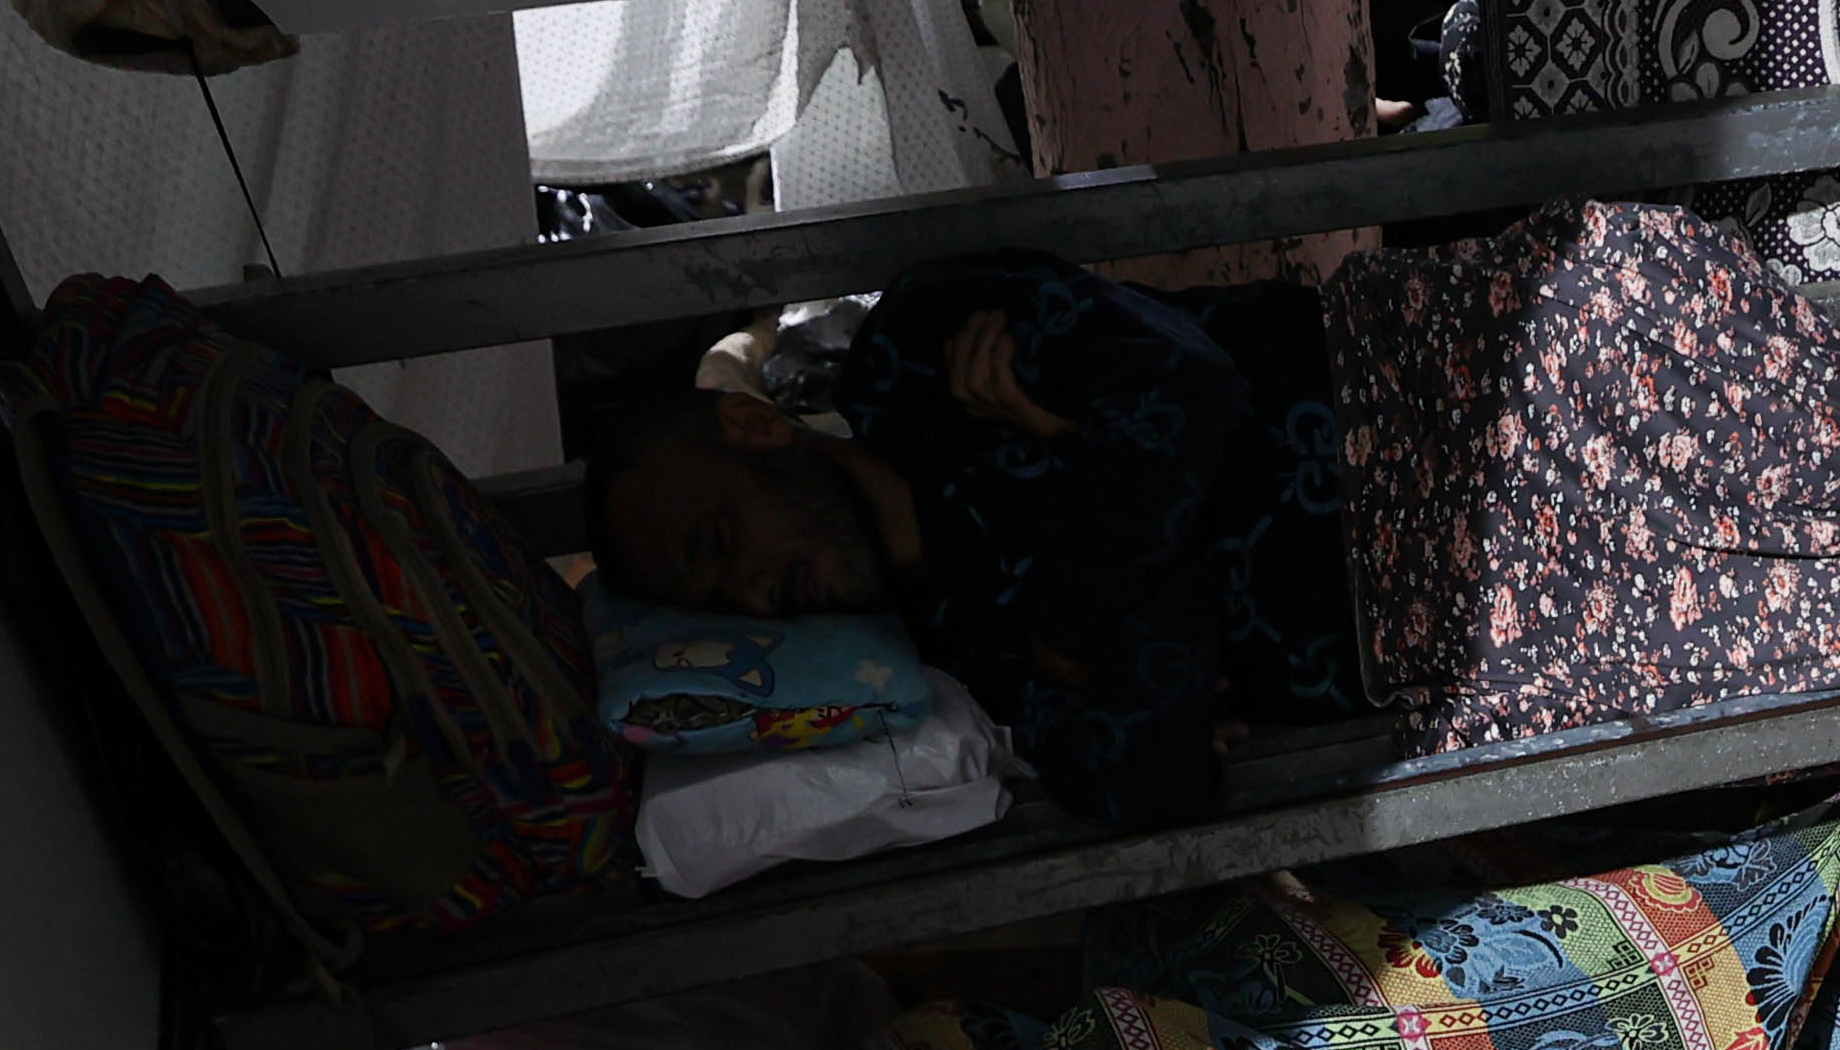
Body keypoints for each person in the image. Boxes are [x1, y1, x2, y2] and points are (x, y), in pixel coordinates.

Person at [583, 254, 1363, 833]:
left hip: (1412, 404)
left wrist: (1076, 633)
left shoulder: (917, 355)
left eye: (719, 541)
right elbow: (1156, 786)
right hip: (1408, 648)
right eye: (722, 603)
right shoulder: (959, 666)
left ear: (754, 426)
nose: (752, 593)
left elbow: (1191, 384)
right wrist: (1087, 456)